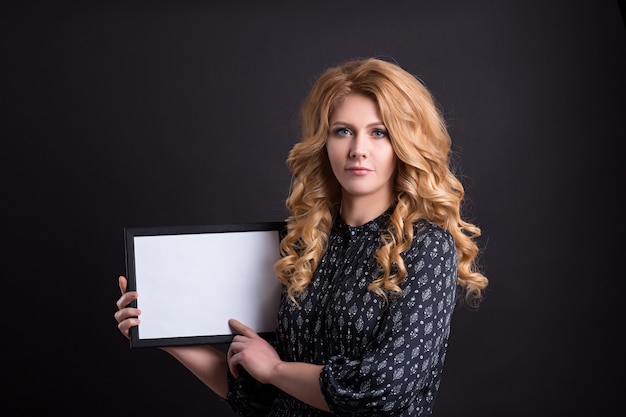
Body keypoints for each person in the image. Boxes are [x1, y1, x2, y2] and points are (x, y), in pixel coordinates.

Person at [115, 57, 488, 416]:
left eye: (379, 133)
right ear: (324, 143)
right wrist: (158, 327)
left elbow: (380, 391)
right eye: (343, 131)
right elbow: (257, 396)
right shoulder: (302, 244)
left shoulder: (426, 246)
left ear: (404, 144)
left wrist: (276, 370)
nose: (358, 149)